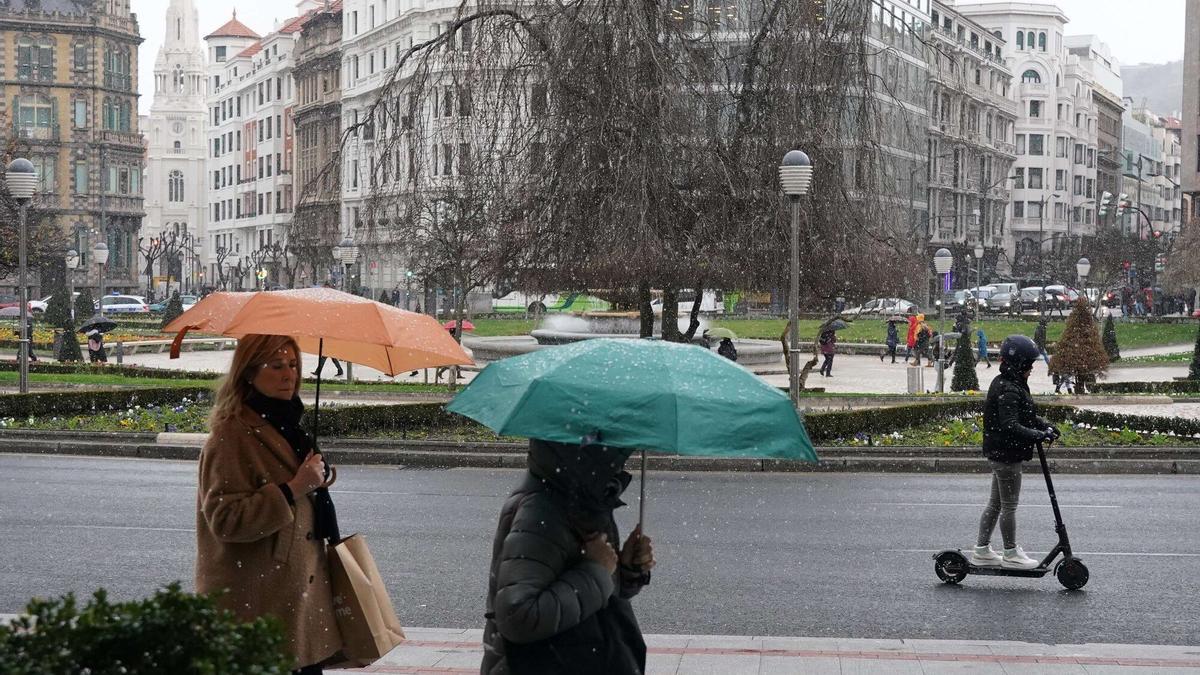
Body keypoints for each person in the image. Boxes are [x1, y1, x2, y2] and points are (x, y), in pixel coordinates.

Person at [195, 334, 342, 674]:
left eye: (292, 365)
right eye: (275, 366)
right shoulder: (231, 434)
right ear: (248, 373)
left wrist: (315, 480)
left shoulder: (288, 425)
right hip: (255, 605)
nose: (288, 374)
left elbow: (299, 487)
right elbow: (225, 519)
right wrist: (293, 488)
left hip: (292, 601)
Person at [482, 436, 655, 675]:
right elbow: (518, 617)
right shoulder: (541, 510)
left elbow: (593, 599)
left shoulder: (583, 497)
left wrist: (623, 570)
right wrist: (597, 571)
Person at [972, 335, 1060, 571]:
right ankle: (1010, 553)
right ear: (1018, 363)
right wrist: (1038, 435)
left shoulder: (1009, 383)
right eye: (1029, 365)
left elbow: (1025, 415)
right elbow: (1011, 424)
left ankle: (981, 550)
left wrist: (1044, 426)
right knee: (1008, 506)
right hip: (1006, 455)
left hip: (1002, 453)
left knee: (996, 503)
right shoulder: (1008, 387)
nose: (1031, 369)